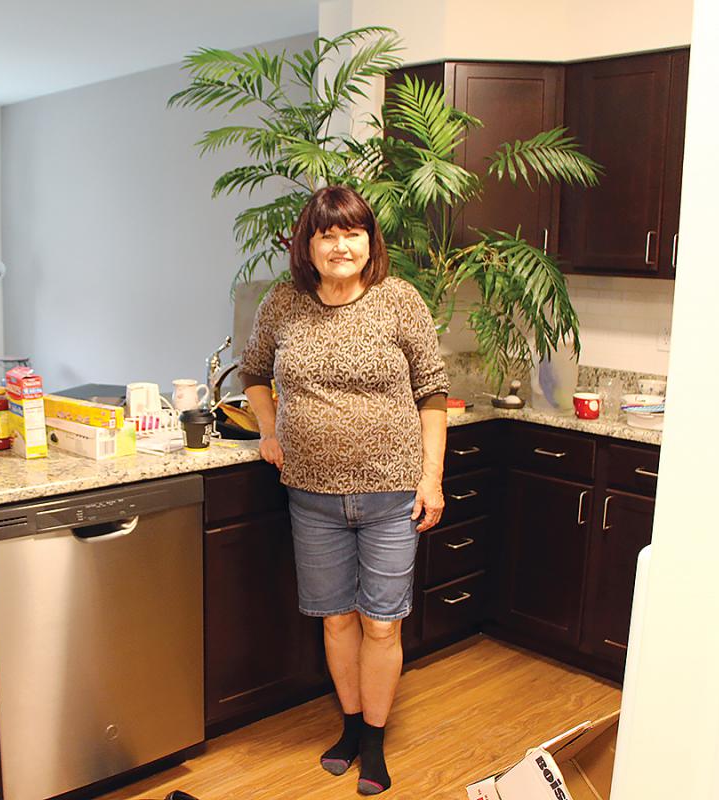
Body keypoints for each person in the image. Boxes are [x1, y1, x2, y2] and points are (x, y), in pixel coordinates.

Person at [240, 185, 449, 795]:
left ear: (369, 240)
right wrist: (270, 432)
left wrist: (432, 478)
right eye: (327, 233)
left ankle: (376, 743)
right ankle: (351, 727)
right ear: (309, 243)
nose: (340, 244)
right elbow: (254, 371)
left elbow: (431, 393)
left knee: (381, 624)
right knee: (335, 621)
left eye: (352, 232)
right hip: (311, 495)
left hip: (392, 495)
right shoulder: (284, 302)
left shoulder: (399, 301)